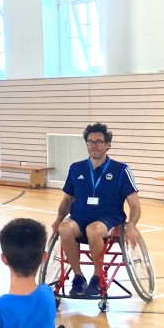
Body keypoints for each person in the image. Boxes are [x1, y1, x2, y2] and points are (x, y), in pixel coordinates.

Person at [52, 123, 142, 298]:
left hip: (108, 218)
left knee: (93, 230)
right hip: (79, 217)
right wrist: (58, 218)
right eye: (90, 141)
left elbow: (135, 204)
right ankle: (78, 277)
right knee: (64, 228)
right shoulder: (76, 168)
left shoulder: (121, 170)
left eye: (99, 141)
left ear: (108, 144)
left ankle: (97, 276)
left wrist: (131, 225)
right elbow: (67, 199)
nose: (94, 145)